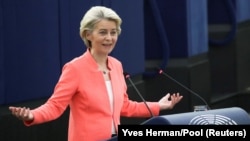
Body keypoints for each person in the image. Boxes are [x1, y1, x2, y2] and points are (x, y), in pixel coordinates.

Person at [9, 6, 183, 141]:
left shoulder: (116, 65)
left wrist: (158, 106)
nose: (109, 38)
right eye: (103, 32)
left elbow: (124, 106)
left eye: (113, 32)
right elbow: (55, 106)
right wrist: (32, 115)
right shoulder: (74, 68)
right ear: (88, 35)